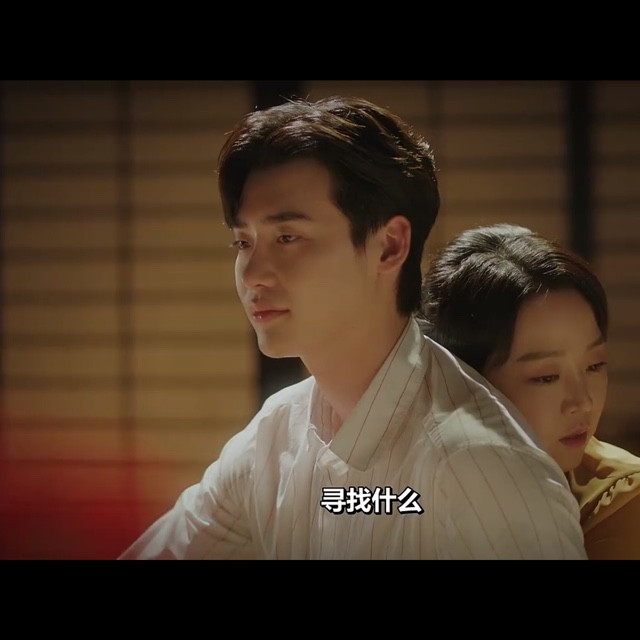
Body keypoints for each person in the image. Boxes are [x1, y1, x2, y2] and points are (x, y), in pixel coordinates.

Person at [119, 96, 586, 559]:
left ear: (389, 246)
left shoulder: (477, 467)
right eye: (243, 242)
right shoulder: (276, 434)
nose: (253, 273)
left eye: (287, 237)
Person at [419, 223, 640, 560]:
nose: (582, 402)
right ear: (466, 377)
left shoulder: (620, 501)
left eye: (595, 365)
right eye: (546, 377)